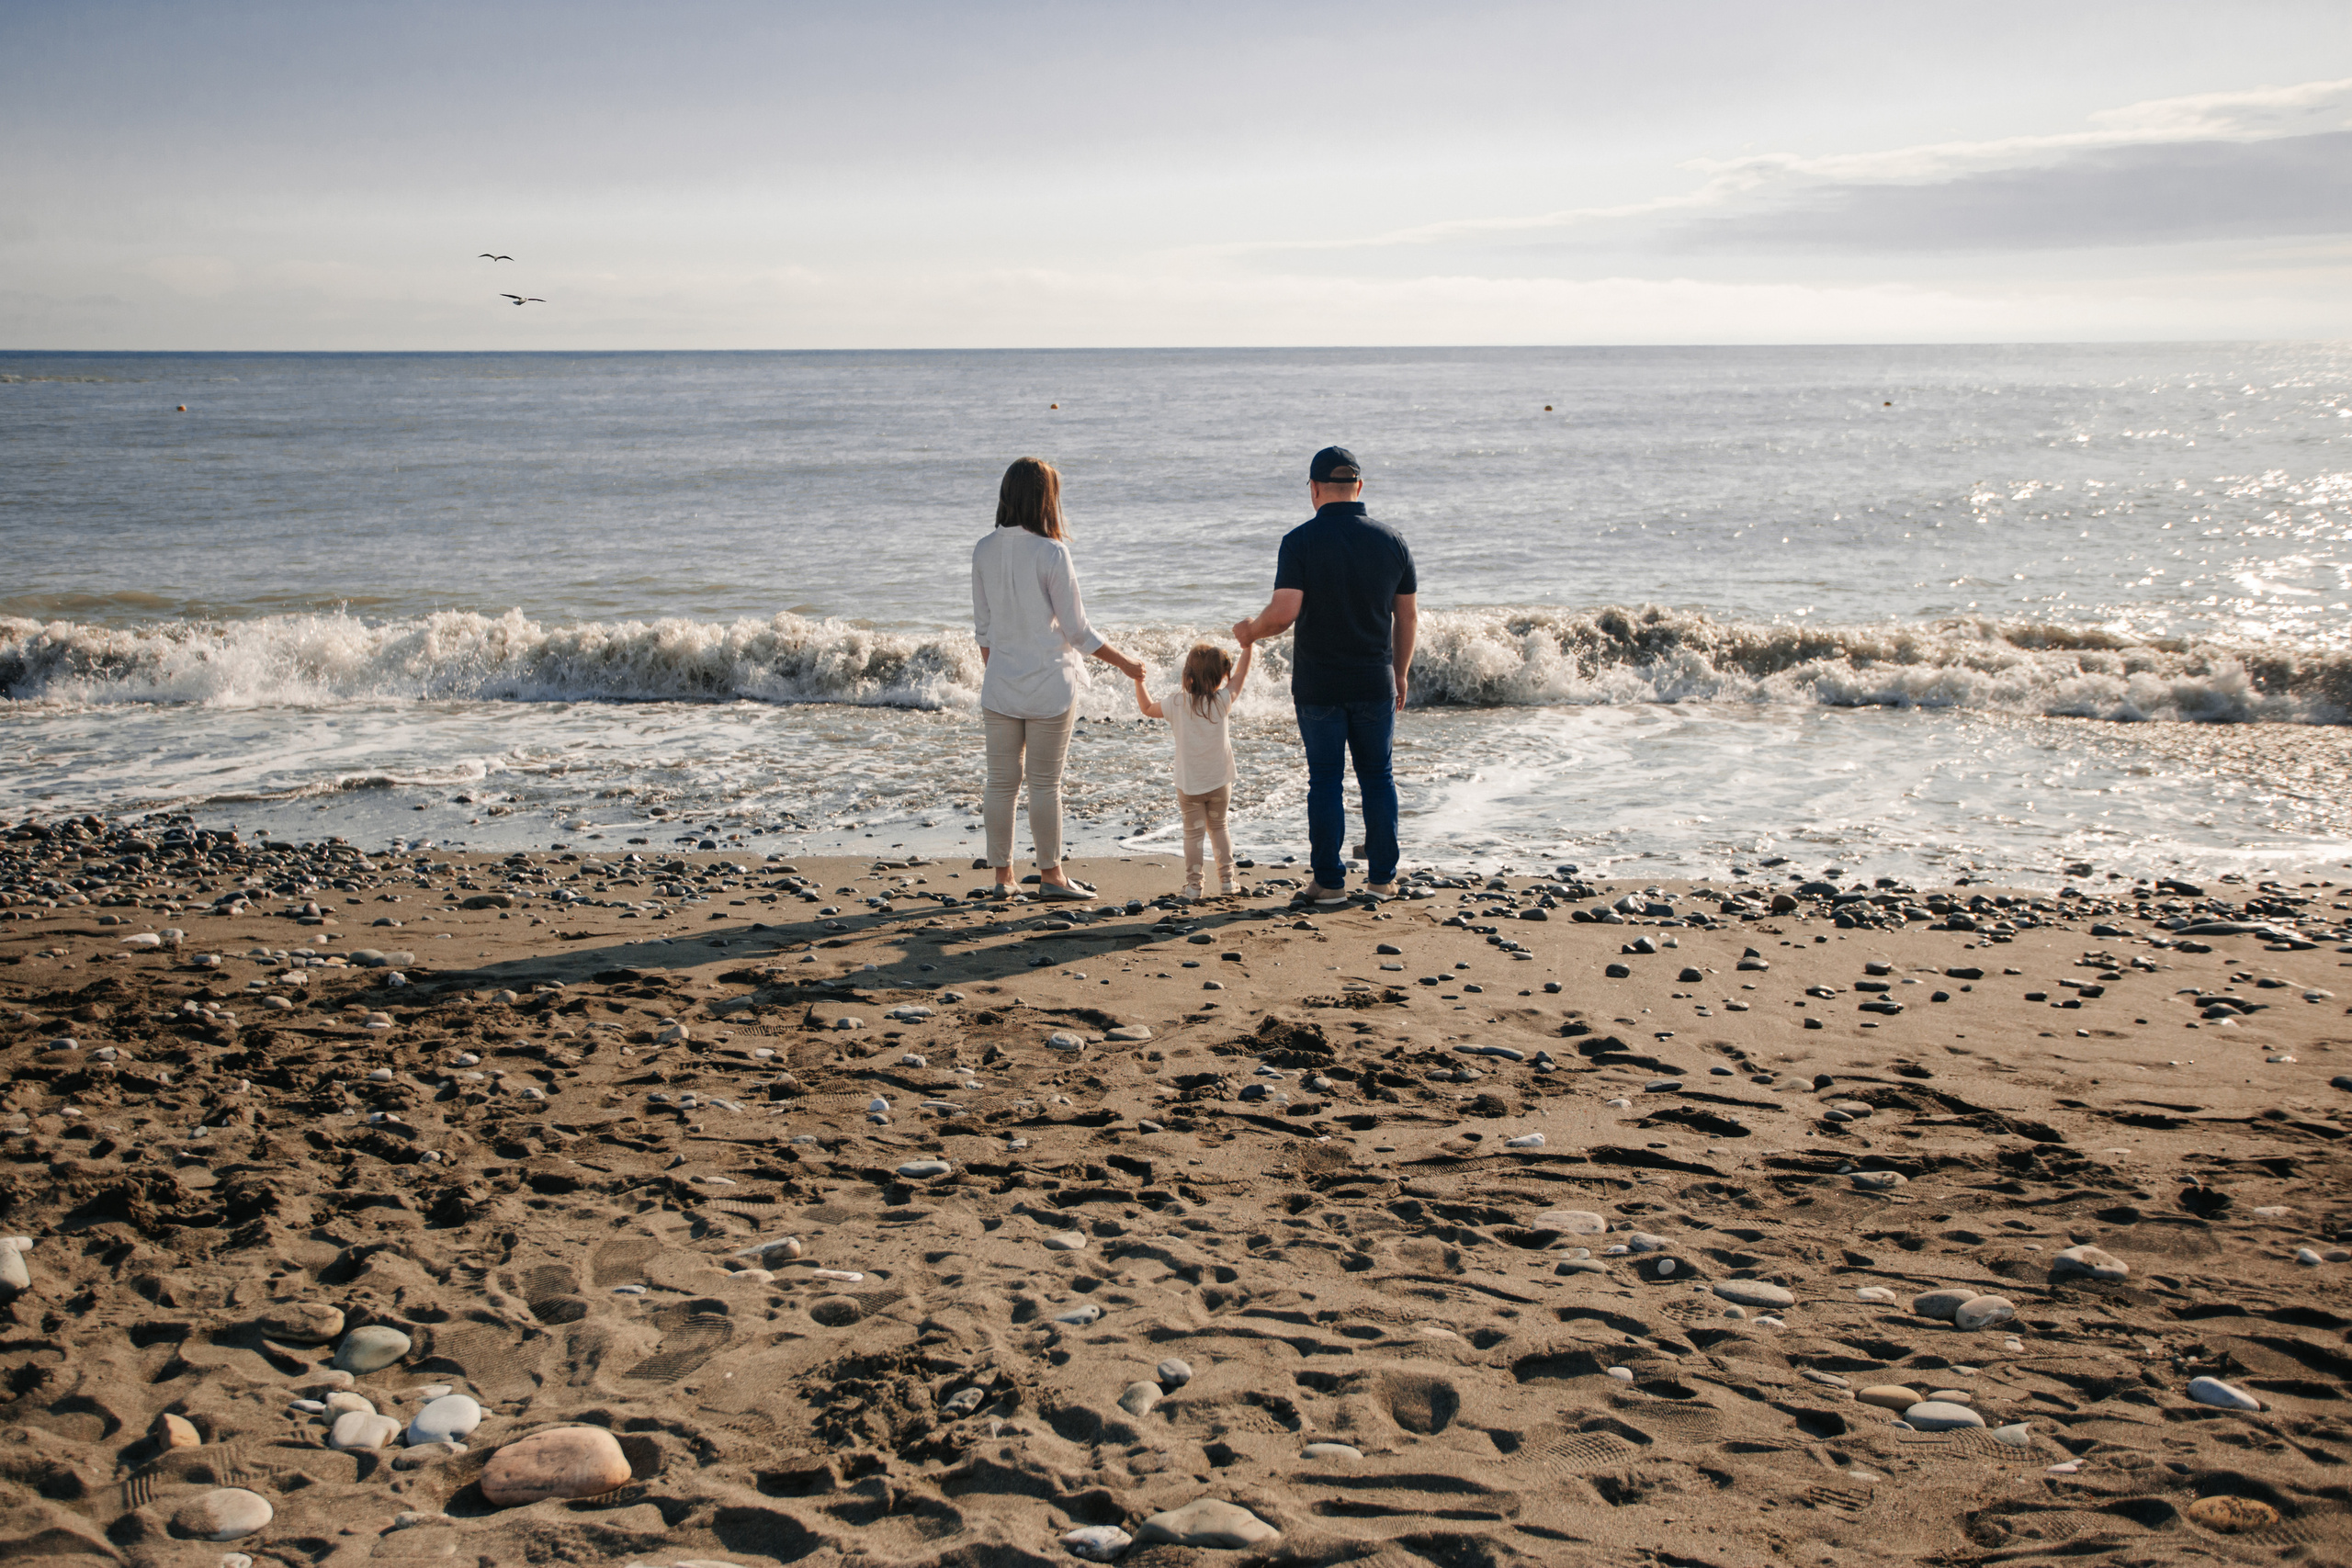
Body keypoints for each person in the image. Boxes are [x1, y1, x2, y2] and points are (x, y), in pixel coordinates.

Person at [1233, 446, 1417, 908]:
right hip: (1375, 679)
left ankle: (1330, 883)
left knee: (1325, 781)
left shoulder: (1300, 541)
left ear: (1313, 489)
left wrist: (1249, 632)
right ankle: (1381, 880)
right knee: (1378, 777)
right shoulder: (1392, 540)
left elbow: (1283, 614)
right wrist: (1401, 673)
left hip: (1319, 685)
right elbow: (1407, 617)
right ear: (1359, 486)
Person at [972, 456, 1145, 901]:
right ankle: (1050, 876)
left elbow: (984, 632)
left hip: (1000, 686)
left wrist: (1001, 670)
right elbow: (1078, 632)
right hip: (1050, 685)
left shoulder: (984, 549)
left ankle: (1003, 879)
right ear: (1045, 500)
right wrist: (1126, 663)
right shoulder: (1052, 552)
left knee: (1000, 782)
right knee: (1045, 783)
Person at [1130, 640, 1253, 901]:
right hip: (1220, 781)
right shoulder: (1222, 701)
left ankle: (1194, 886)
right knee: (1219, 827)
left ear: (1187, 675)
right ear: (1221, 676)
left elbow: (1147, 708)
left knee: (1193, 833)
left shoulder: (1176, 703)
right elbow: (1241, 674)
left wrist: (1139, 680)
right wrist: (1248, 645)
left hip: (1189, 784)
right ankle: (1228, 882)